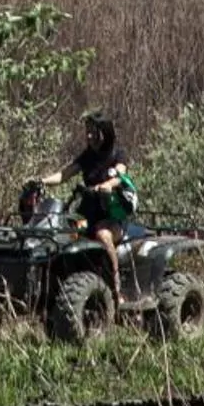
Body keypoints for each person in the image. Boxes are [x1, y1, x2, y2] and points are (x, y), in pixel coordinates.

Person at [43, 110, 135, 293]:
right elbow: (64, 175)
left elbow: (120, 174)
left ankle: (115, 284)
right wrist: (42, 181)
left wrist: (107, 185)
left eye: (93, 132)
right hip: (87, 214)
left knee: (103, 235)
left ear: (104, 132)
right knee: (60, 233)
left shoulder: (118, 153)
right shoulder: (87, 156)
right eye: (87, 131)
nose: (89, 136)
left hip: (112, 216)